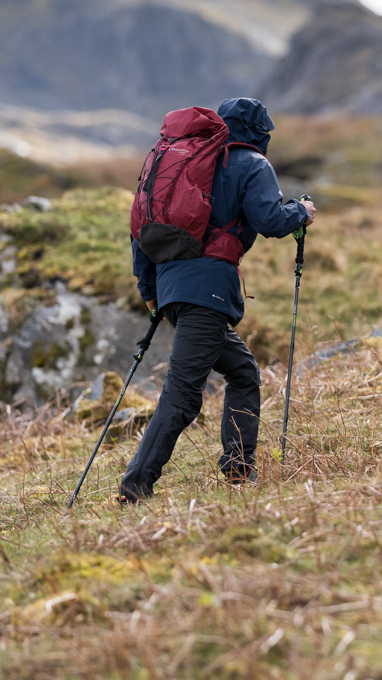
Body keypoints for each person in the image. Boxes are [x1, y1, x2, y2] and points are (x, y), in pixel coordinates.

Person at [119, 97, 314, 504]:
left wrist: (152, 293)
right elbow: (271, 221)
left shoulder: (182, 162)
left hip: (174, 293)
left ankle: (239, 470)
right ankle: (135, 487)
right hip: (207, 294)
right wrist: (302, 212)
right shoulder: (250, 163)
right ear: (261, 133)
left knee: (243, 372)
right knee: (183, 394)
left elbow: (141, 231)